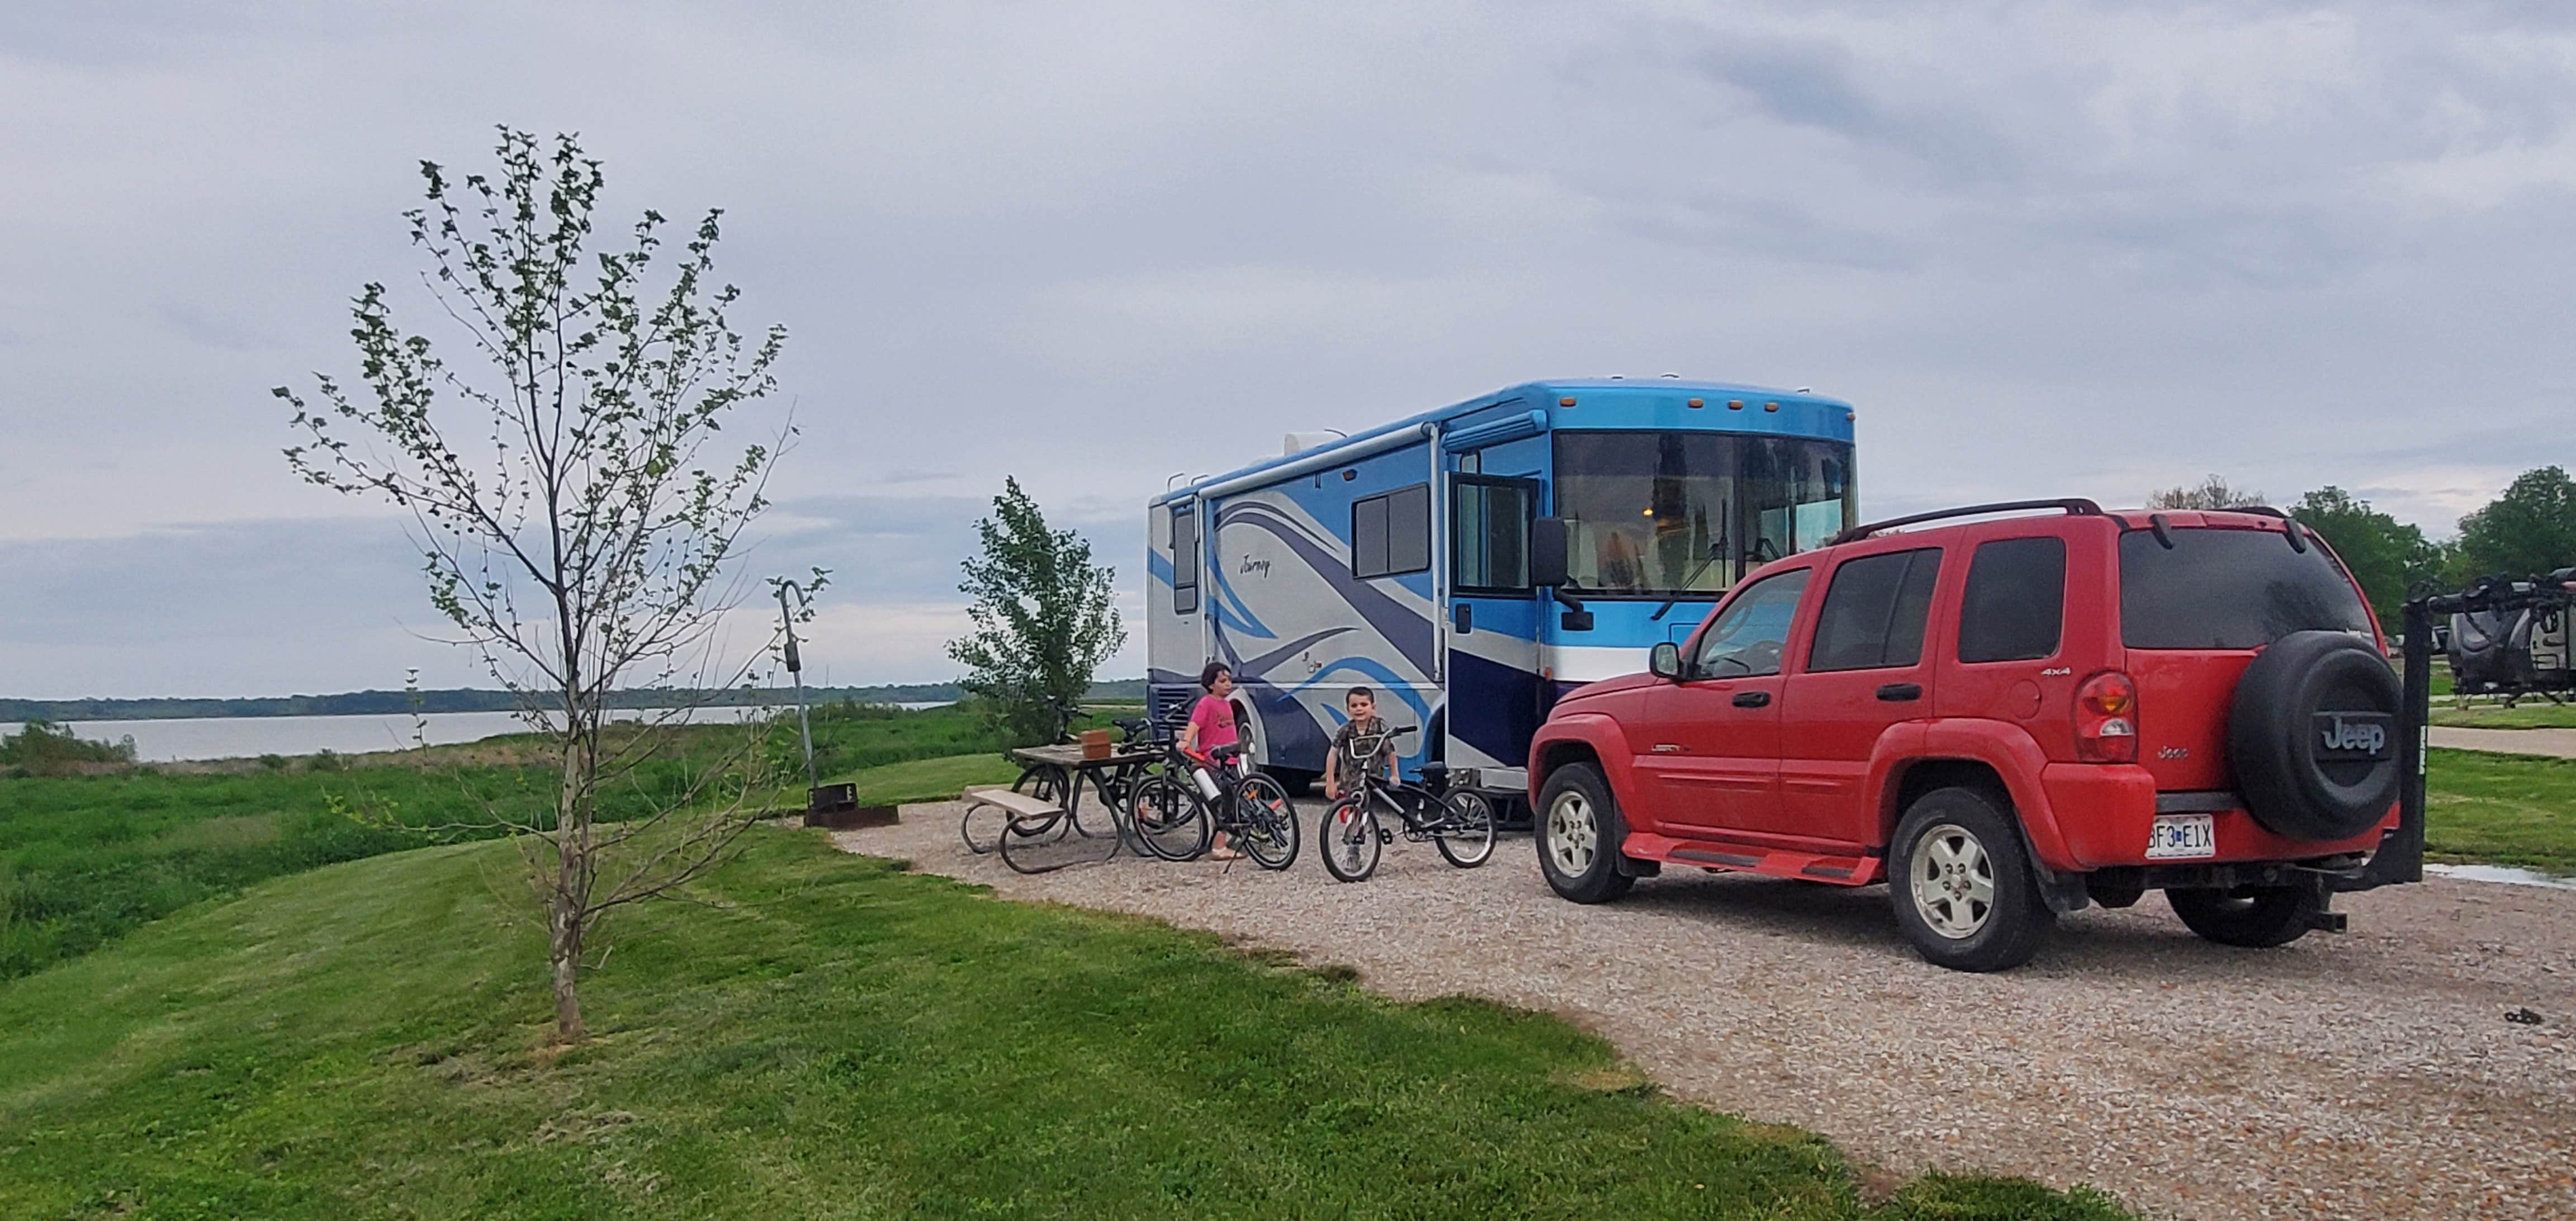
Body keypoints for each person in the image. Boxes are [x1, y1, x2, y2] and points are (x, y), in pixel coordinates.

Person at [1178, 661, 1243, 860]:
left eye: (1229, 680)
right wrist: (1186, 741)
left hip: (1230, 761)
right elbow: (1195, 723)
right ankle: (1219, 847)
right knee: (1222, 803)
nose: (1228, 684)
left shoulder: (1227, 704)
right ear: (1210, 684)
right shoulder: (1206, 703)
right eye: (1222, 681)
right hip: (1212, 762)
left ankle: (1222, 840)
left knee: (1232, 799)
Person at [1323, 685, 1392, 802]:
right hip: (1350, 780)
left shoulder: (1380, 728)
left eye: (1364, 705)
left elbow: (1390, 752)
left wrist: (1394, 775)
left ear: (1373, 707)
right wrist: (1330, 783)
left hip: (1374, 780)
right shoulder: (1345, 730)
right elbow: (1333, 754)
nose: (1359, 709)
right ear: (1348, 709)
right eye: (1354, 706)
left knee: (1367, 809)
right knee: (1349, 810)